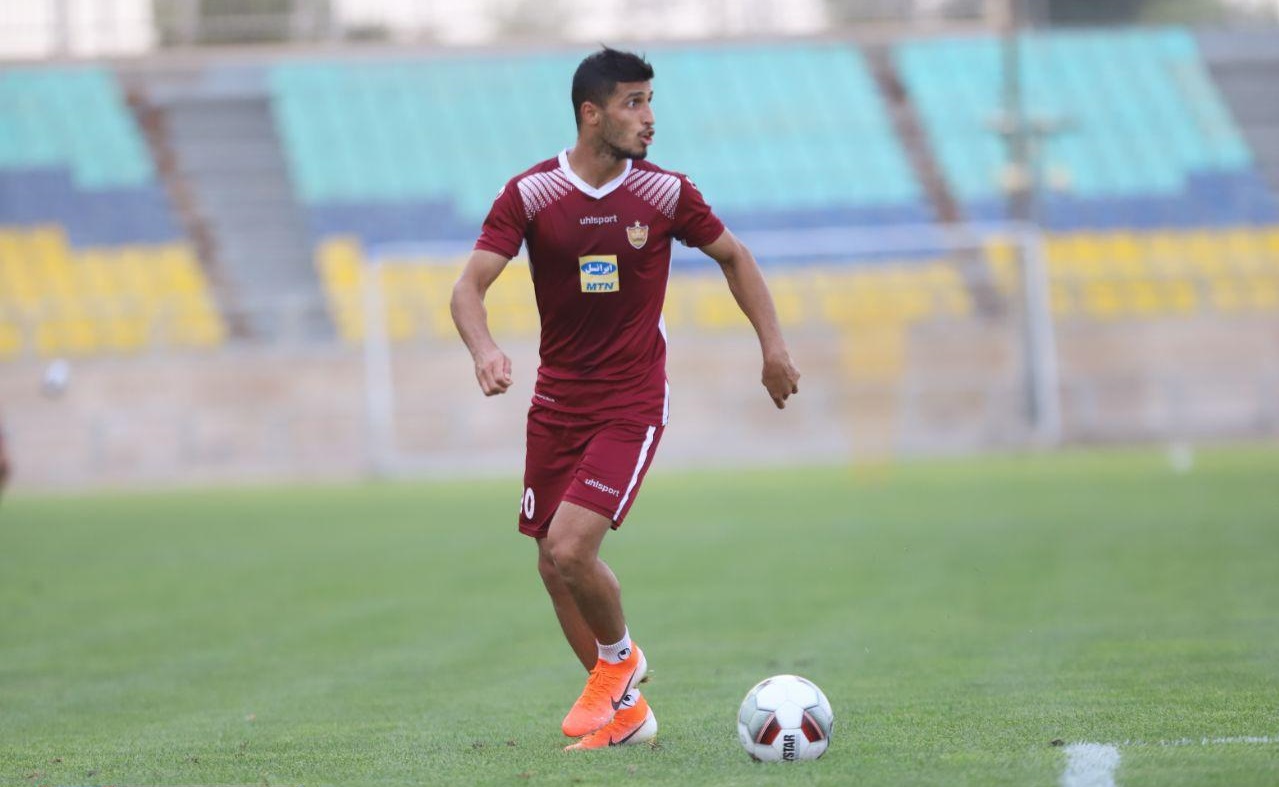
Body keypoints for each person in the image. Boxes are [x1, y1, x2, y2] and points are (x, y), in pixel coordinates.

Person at [450, 47, 801, 751]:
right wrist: (484, 349)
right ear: (592, 113)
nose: (649, 117)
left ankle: (620, 662)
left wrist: (772, 346)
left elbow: (734, 256)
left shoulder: (665, 193)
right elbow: (468, 289)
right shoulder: (531, 193)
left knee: (570, 547)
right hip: (557, 403)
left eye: (649, 101)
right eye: (633, 103)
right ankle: (629, 714)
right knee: (552, 566)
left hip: (630, 401)